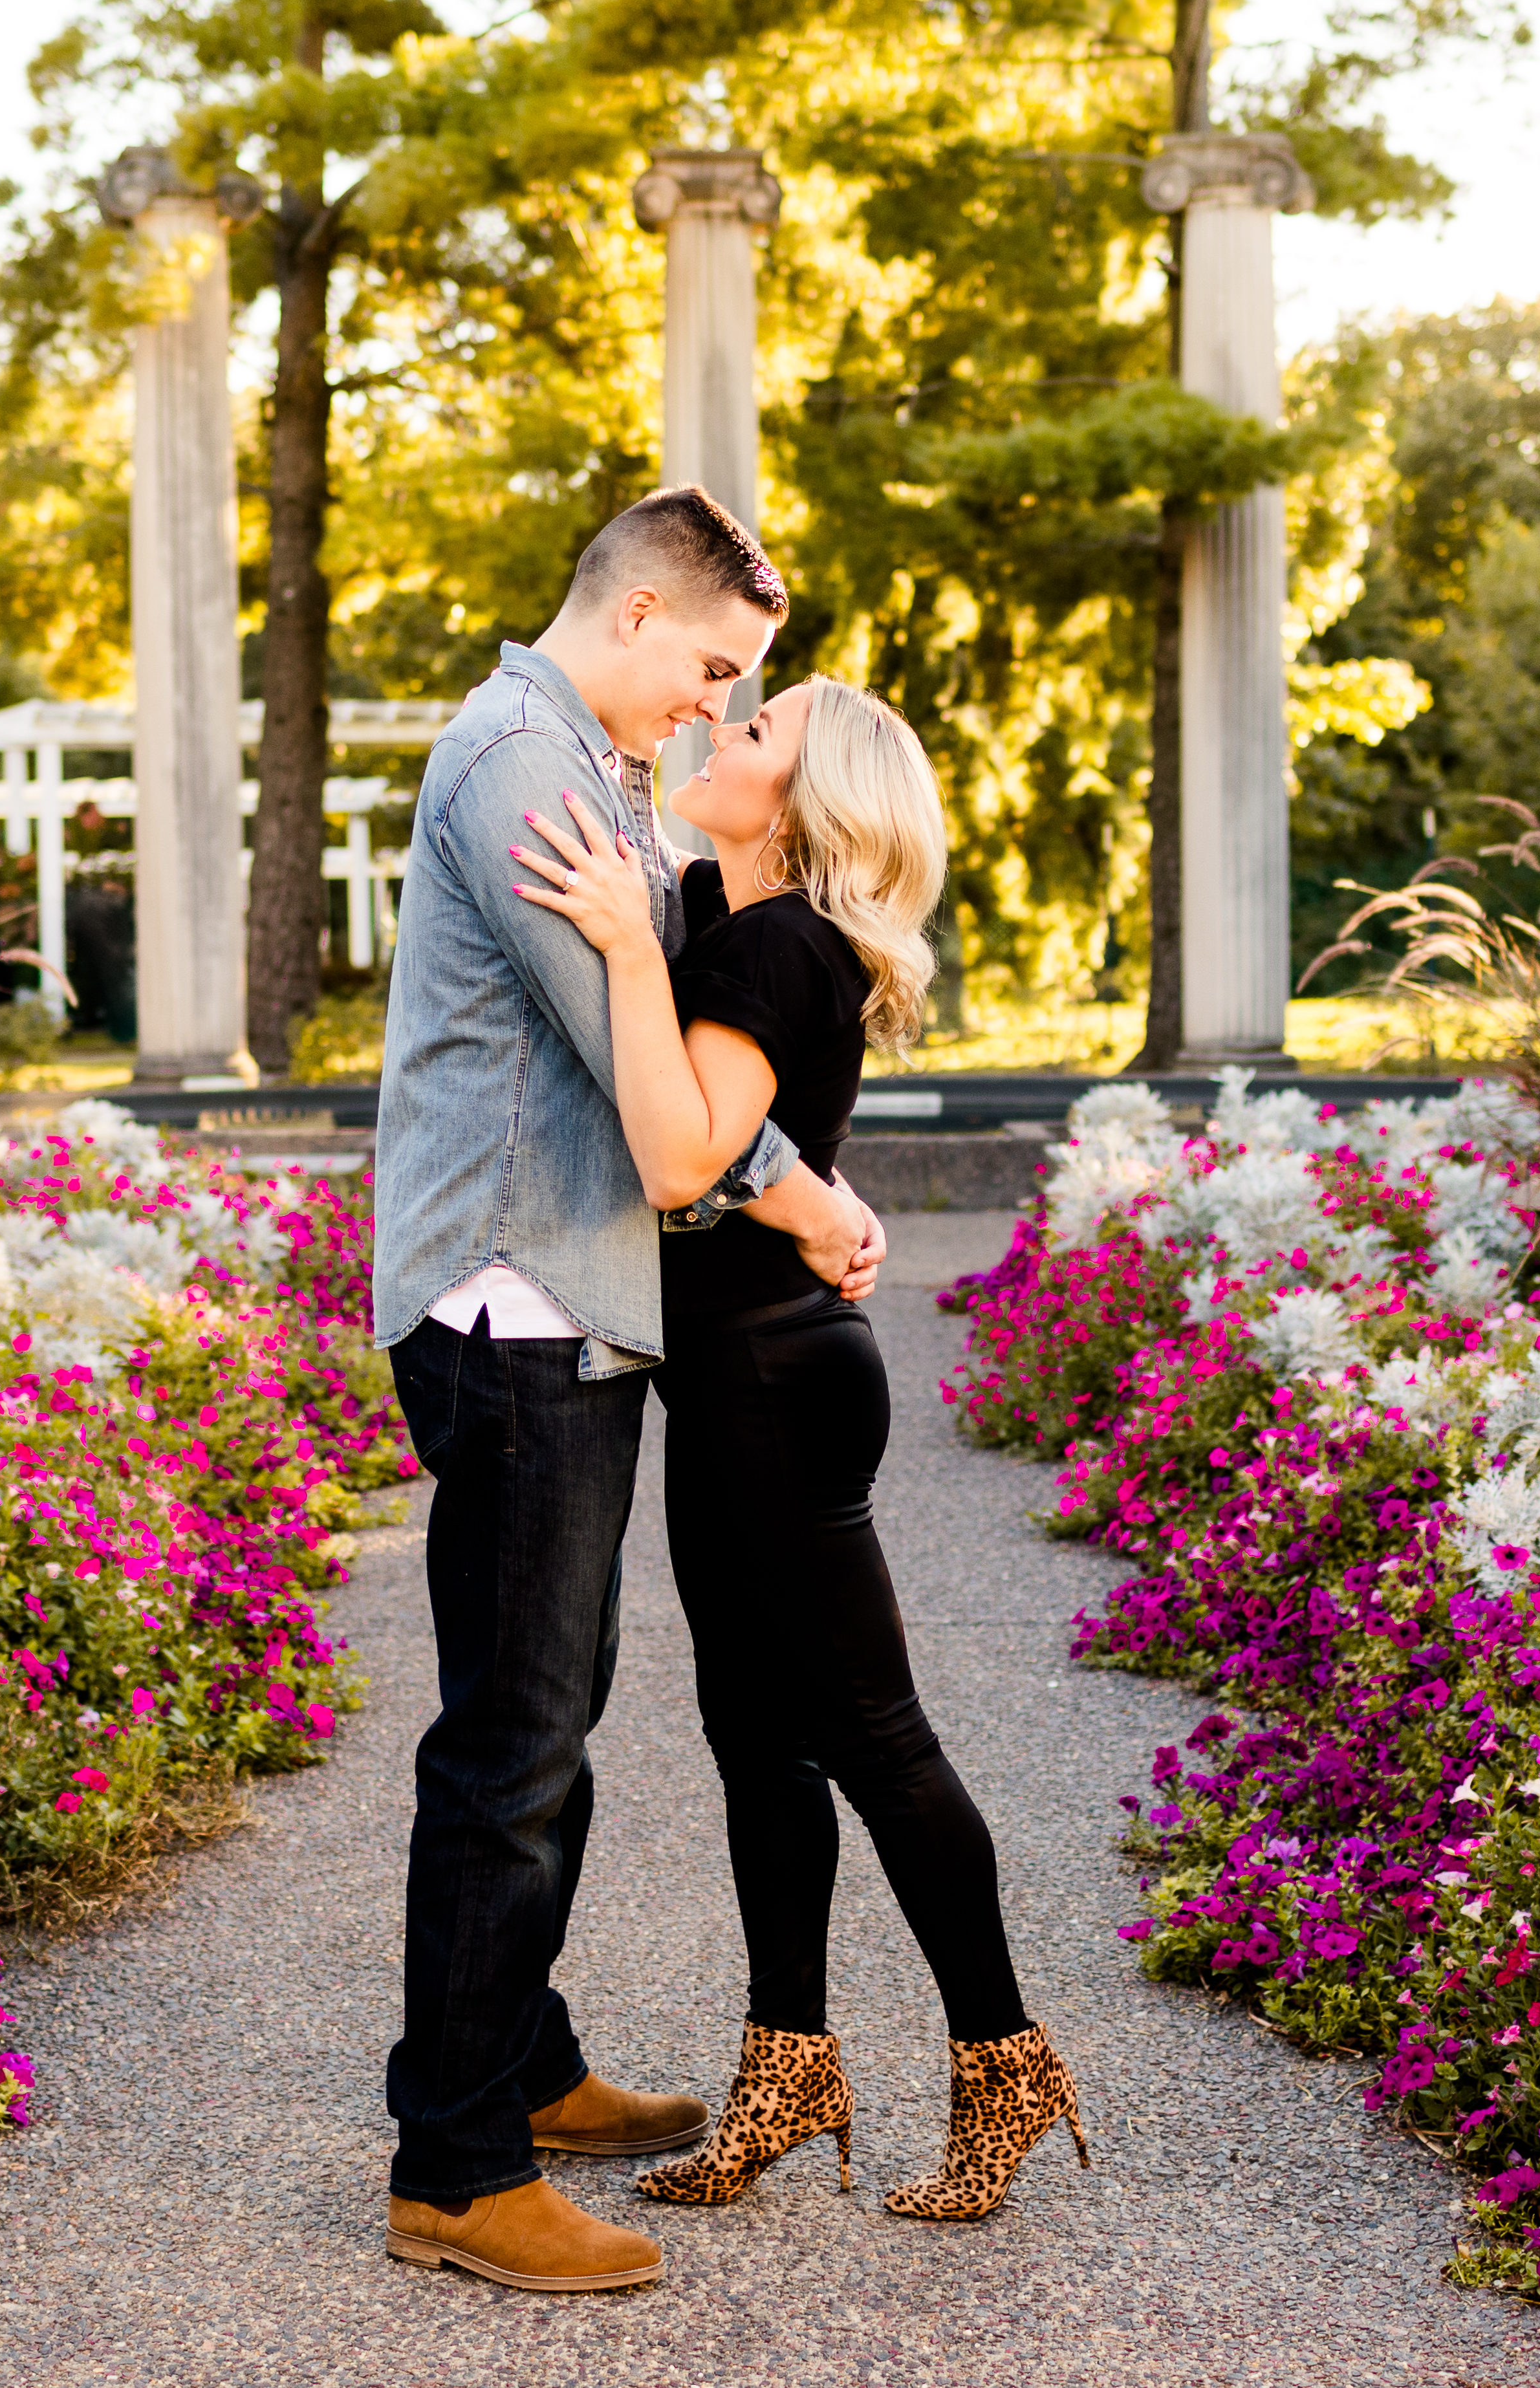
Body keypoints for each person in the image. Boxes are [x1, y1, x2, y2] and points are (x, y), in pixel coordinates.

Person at [371, 488, 890, 2296]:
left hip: (558, 1302)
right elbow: (650, 1080)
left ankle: (518, 2053)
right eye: (719, 665)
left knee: (547, 1715)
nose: (718, 699)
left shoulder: (583, 760)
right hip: (517, 1298)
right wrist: (814, 1196)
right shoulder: (522, 765)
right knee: (510, 1745)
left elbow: (674, 999)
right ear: (644, 606)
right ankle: (454, 2160)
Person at [507, 674, 1088, 2227]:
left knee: (874, 1740)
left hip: (774, 1382)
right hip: (739, 1379)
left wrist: (634, 945)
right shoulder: (721, 908)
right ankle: (789, 2067)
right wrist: (641, 913)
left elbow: (693, 1151)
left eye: (754, 736)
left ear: (808, 801)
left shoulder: (775, 944)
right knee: (754, 1748)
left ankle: (1006, 2059)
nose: (718, 732)